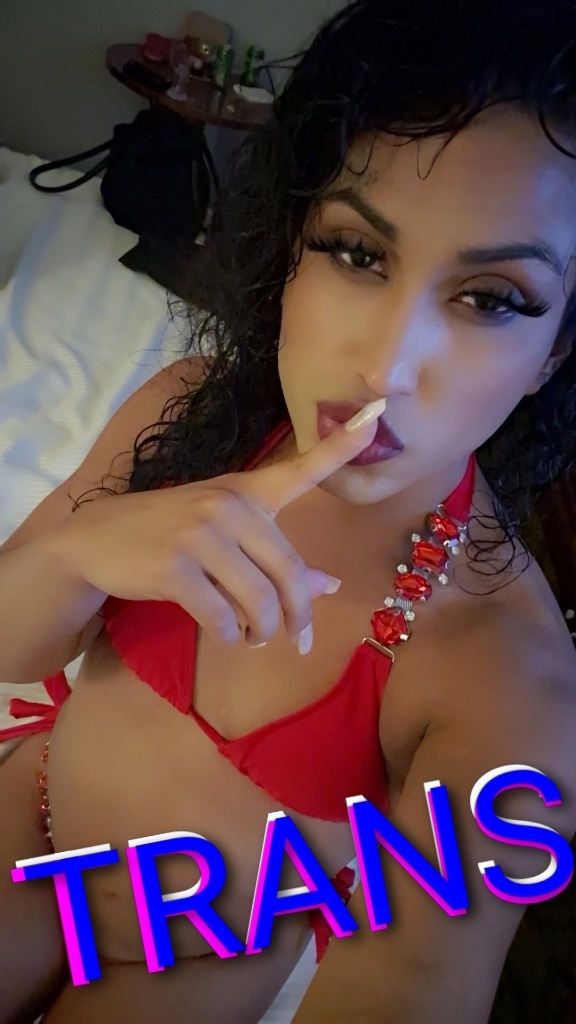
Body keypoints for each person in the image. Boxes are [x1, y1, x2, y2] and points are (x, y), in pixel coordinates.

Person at [2, 0, 576, 1021]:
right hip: (29, 815)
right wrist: (83, 552)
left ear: (553, 354)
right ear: (294, 247)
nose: (386, 368)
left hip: (180, 965)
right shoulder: (188, 409)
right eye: (357, 252)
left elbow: (415, 978)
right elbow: (11, 644)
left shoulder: (506, 681)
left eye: (491, 299)